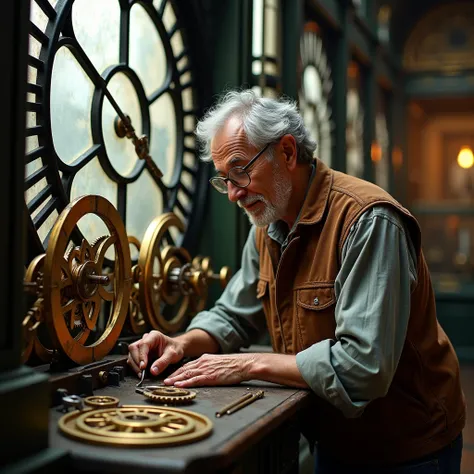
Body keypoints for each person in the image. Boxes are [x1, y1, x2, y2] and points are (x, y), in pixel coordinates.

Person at [128, 90, 465, 473]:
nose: (234, 194)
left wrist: (247, 364)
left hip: (406, 448)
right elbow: (234, 315)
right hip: (334, 436)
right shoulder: (268, 222)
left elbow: (362, 367)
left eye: (241, 171)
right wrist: (180, 343)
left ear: (287, 153)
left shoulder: (368, 221)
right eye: (225, 180)